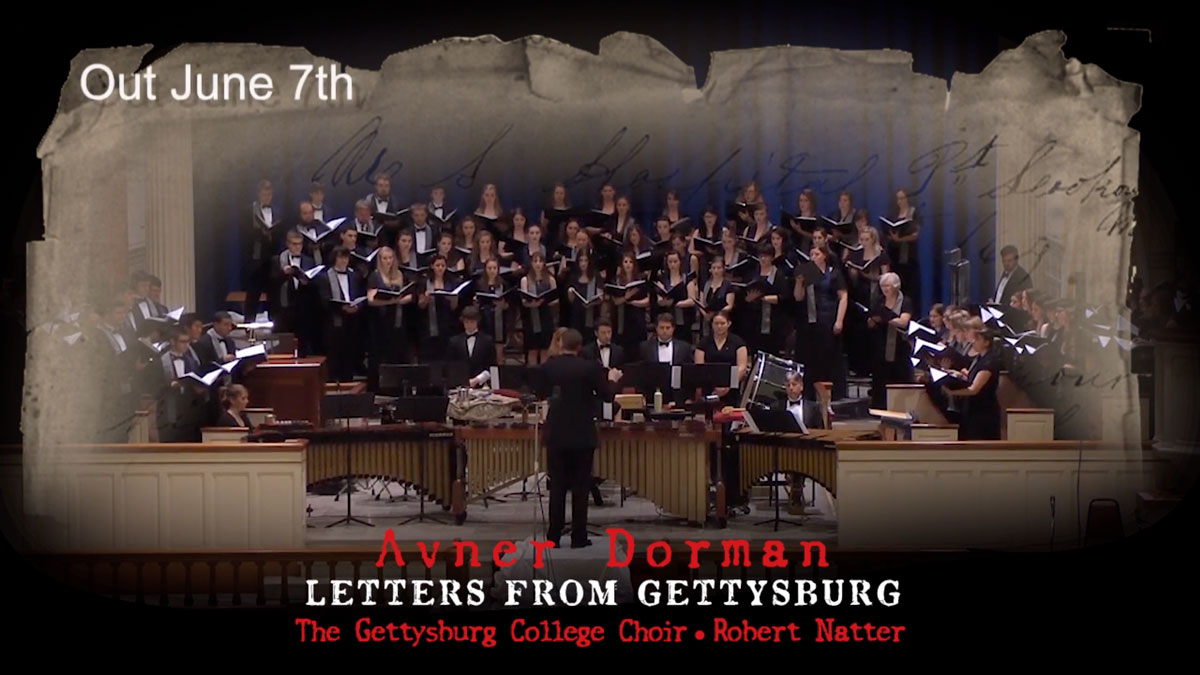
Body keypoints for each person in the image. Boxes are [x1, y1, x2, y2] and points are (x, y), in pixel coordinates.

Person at [534, 328, 622, 549]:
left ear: (561, 343)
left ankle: (553, 536)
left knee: (557, 487)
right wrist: (612, 379)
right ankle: (578, 537)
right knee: (581, 487)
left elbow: (540, 393)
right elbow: (607, 396)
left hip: (556, 433)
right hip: (582, 433)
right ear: (579, 347)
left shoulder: (549, 366)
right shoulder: (590, 368)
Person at [795, 245, 848, 400]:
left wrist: (839, 320)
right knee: (810, 359)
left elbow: (843, 297)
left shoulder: (833, 274)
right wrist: (799, 283)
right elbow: (798, 297)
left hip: (828, 319)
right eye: (811, 254)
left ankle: (832, 394)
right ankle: (809, 394)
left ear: (824, 256)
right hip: (809, 322)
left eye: (816, 254)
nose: (813, 257)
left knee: (829, 357)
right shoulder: (806, 273)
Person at [943, 318, 1002, 440]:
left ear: (986, 342)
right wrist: (956, 374)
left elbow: (974, 389)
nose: (973, 342)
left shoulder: (989, 362)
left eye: (977, 339)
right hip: (972, 410)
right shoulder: (980, 358)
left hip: (983, 413)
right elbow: (971, 377)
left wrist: (951, 392)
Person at [367, 246, 416, 387]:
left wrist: (404, 299)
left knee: (399, 354)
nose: (388, 261)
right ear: (380, 260)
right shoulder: (375, 275)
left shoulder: (400, 274)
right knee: (381, 355)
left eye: (390, 258)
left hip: (399, 321)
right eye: (384, 258)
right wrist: (393, 301)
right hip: (381, 322)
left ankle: (397, 387)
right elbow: (371, 300)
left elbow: (410, 295)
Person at [317, 247, 366, 383]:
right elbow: (324, 300)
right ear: (334, 259)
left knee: (349, 358)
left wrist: (357, 306)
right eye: (340, 257)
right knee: (333, 359)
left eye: (346, 258)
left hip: (352, 323)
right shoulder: (325, 277)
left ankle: (348, 386)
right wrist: (342, 308)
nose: (344, 261)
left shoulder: (354, 276)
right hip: (333, 323)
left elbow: (360, 295)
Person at [867, 272, 914, 409]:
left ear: (895, 286)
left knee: (899, 376)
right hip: (881, 342)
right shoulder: (878, 300)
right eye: (882, 286)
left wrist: (886, 317)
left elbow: (904, 322)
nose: (884, 289)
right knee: (880, 377)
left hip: (899, 345)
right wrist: (874, 320)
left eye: (887, 285)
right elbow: (872, 319)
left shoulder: (905, 300)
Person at [243, 180, 282, 322]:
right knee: (253, 294)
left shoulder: (277, 210)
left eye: (269, 194)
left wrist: (273, 233)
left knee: (273, 294)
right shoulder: (250, 210)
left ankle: (275, 325)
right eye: (264, 194)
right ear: (259, 194)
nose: (267, 197)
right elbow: (244, 233)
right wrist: (260, 233)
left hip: (272, 257)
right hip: (257, 257)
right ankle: (249, 325)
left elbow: (281, 231)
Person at [694, 310, 748, 406]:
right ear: (712, 324)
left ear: (729, 324)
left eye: (722, 323)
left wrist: (728, 385)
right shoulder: (703, 342)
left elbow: (742, 368)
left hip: (731, 389)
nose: (719, 326)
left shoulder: (738, 342)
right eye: (716, 323)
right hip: (709, 388)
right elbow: (699, 367)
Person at [417, 255, 461, 361]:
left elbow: (454, 306)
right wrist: (427, 298)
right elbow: (420, 304)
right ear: (432, 266)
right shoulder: (425, 282)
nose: (440, 268)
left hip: (447, 323)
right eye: (437, 265)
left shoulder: (451, 282)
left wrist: (452, 298)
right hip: (429, 323)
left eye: (443, 265)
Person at [609, 252, 651, 358]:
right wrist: (627, 297)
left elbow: (648, 300)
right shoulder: (616, 280)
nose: (628, 264)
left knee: (637, 349)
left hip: (637, 318)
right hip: (621, 320)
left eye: (631, 262)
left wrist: (634, 302)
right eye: (625, 262)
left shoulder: (641, 279)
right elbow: (615, 301)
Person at [520, 251, 559, 365]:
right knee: (532, 350)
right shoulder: (525, 280)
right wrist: (531, 304)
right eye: (535, 261)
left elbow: (556, 300)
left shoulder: (550, 279)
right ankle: (532, 378)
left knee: (544, 350)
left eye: (540, 261)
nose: (538, 264)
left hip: (545, 316)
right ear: (531, 263)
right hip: (531, 318)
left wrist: (544, 301)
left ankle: (543, 378)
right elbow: (523, 300)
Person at [473, 258, 510, 365]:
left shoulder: (503, 284)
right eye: (489, 268)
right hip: (484, 318)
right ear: (485, 269)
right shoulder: (479, 284)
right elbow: (476, 302)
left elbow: (508, 304)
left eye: (494, 268)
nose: (492, 270)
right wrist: (476, 302)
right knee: (484, 351)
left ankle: (499, 377)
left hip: (499, 319)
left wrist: (503, 304)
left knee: (498, 350)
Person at [448, 306, 497, 388]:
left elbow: (492, 366)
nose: (469, 325)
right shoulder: (454, 341)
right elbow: (451, 365)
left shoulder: (487, 341)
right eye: (466, 322)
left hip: (482, 385)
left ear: (477, 321)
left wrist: (477, 379)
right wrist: (462, 380)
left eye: (472, 322)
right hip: (460, 385)